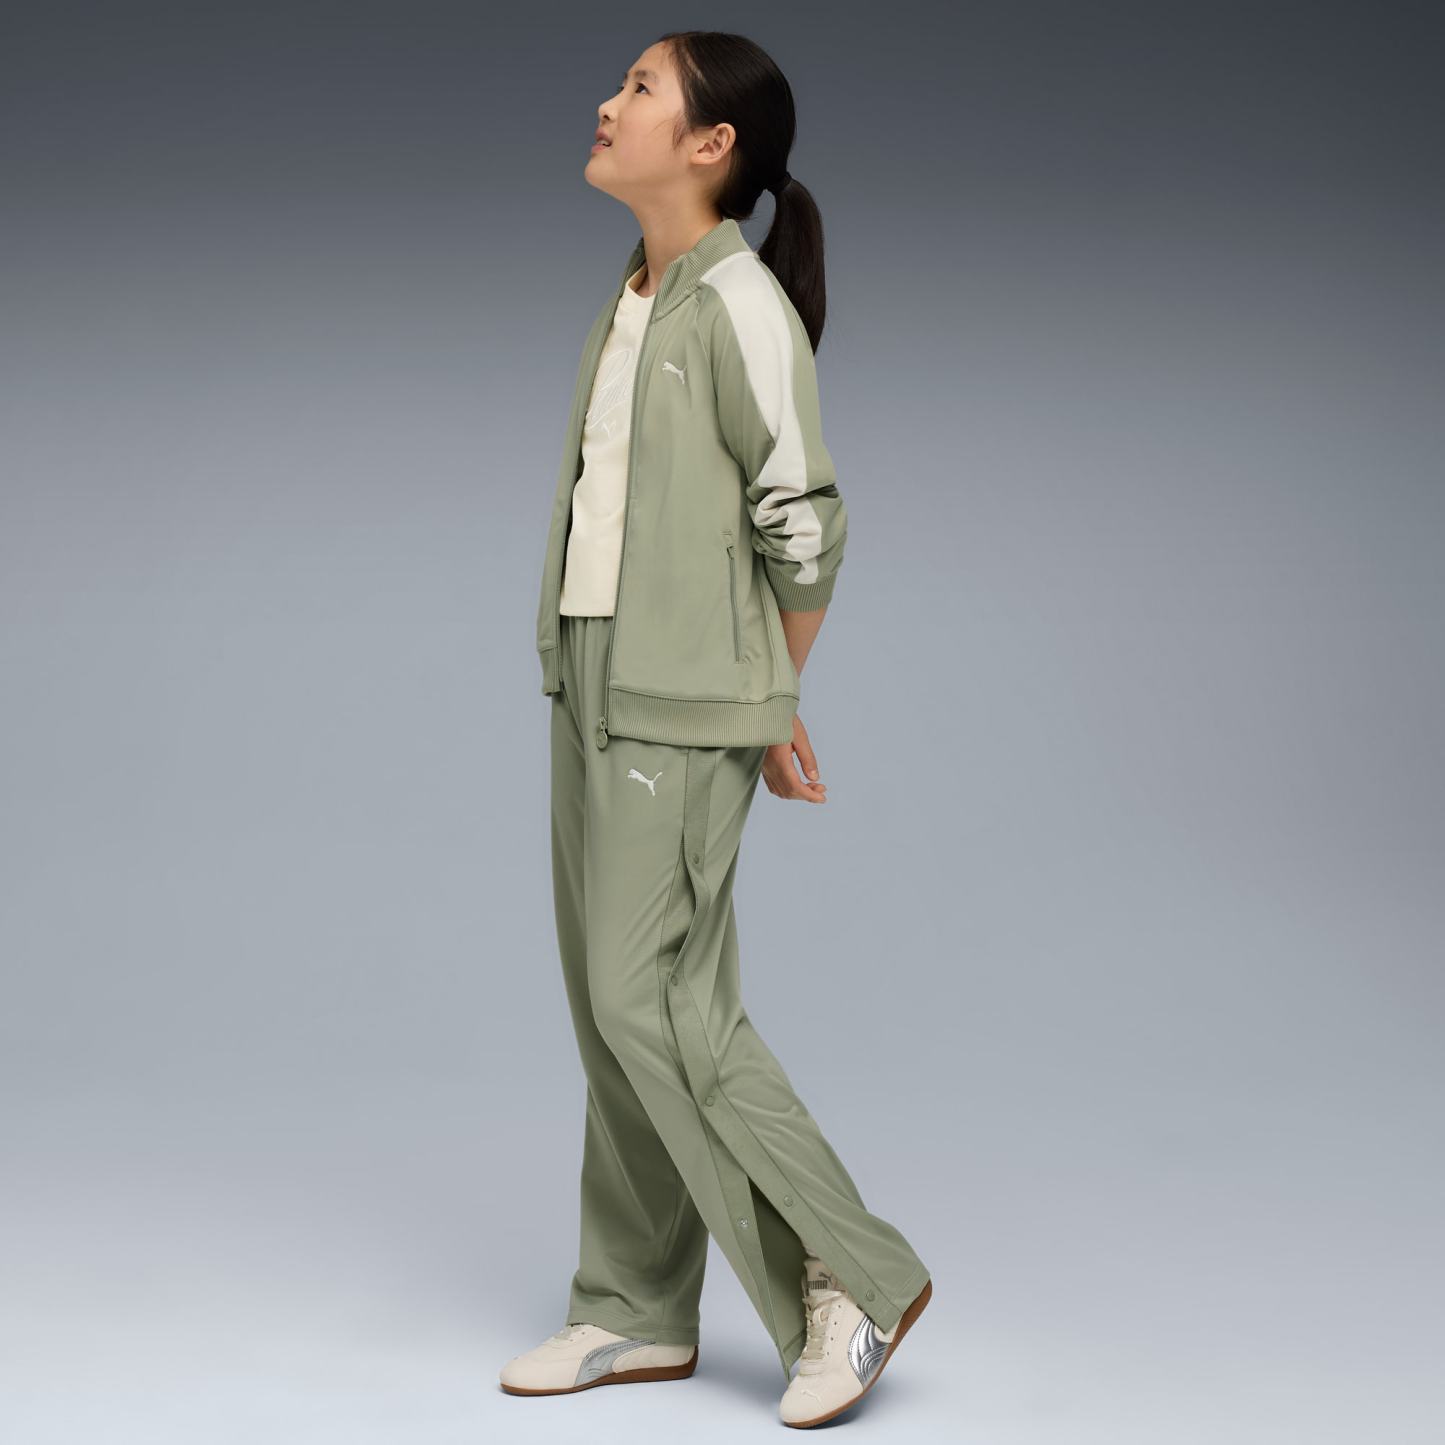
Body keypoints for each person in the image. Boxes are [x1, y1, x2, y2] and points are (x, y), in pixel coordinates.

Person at [499, 30, 932, 1429]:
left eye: (638, 88)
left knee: (661, 1002)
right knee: (609, 1008)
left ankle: (856, 1274)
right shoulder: (639, 290)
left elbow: (805, 525)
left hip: (680, 703)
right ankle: (633, 1302)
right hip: (593, 680)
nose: (606, 101)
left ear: (710, 145)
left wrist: (771, 698)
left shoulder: (740, 304)